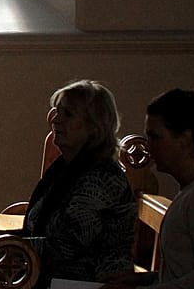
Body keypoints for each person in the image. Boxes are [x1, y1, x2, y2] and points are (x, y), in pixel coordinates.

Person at [100, 89, 194, 289]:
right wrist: (142, 279)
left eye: (155, 137)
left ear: (185, 139)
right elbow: (182, 271)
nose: (148, 147)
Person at [23, 79, 135, 288]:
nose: (56, 120)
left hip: (89, 283)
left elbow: (67, 245)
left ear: (94, 126)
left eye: (68, 114)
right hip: (55, 279)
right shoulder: (66, 168)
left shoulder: (101, 178)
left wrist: (3, 246)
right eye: (57, 112)